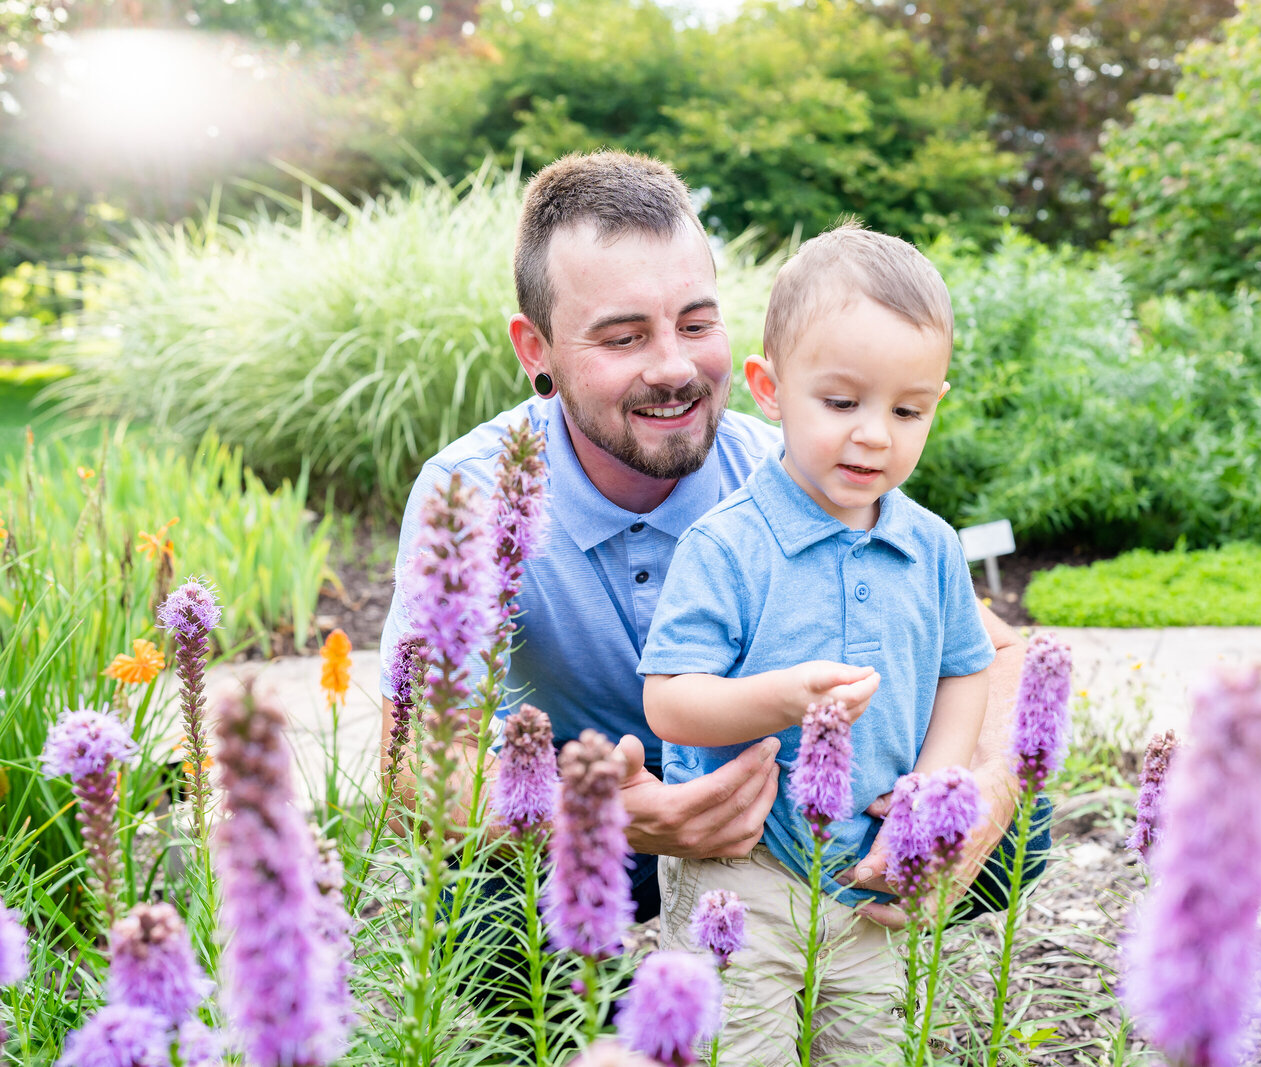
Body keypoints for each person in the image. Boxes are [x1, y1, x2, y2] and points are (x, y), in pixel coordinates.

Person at [378, 150, 1046, 931]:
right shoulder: (474, 495)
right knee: (487, 903)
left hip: (774, 828)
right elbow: (413, 758)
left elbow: (994, 652)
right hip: (593, 817)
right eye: (623, 338)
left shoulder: (796, 469)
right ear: (536, 350)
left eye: (696, 324)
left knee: (1018, 833)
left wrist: (975, 795)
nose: (674, 367)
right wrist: (607, 814)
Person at [640, 223, 988, 1063]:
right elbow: (670, 700)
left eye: (908, 410)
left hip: (868, 877)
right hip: (742, 871)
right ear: (769, 388)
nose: (875, 434)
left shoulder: (932, 545)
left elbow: (963, 670)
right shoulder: (729, 544)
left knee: (868, 1048)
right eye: (842, 403)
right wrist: (781, 698)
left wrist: (934, 784)